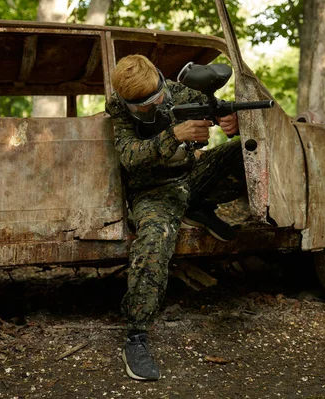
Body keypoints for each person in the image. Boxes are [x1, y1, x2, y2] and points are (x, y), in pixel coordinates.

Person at [106, 54, 246, 381]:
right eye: (142, 106)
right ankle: (136, 336)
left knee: (244, 152)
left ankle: (197, 208)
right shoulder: (117, 109)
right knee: (154, 241)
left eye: (157, 98)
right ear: (126, 103)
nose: (154, 107)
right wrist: (175, 135)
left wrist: (231, 122)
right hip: (153, 192)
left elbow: (219, 109)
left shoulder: (178, 92)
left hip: (191, 178)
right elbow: (129, 157)